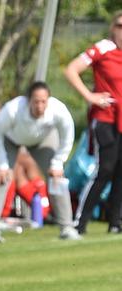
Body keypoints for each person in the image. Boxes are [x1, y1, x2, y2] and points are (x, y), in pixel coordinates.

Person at [0, 82, 80, 242]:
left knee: (57, 179)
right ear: (28, 100)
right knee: (2, 179)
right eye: (36, 101)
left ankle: (67, 228)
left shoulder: (58, 110)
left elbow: (67, 136)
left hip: (42, 140)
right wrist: (1, 165)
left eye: (43, 101)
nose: (40, 106)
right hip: (11, 139)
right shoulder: (13, 109)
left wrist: (58, 162)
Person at [64, 10, 122, 234]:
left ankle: (115, 223)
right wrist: (90, 97)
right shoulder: (103, 48)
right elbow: (71, 70)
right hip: (105, 118)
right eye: (119, 25)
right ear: (113, 28)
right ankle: (80, 222)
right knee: (105, 168)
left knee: (120, 171)